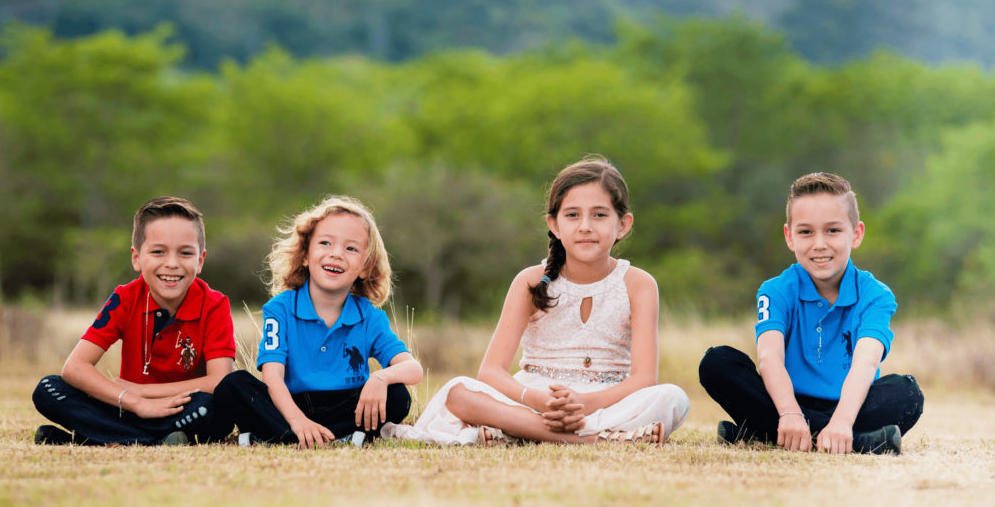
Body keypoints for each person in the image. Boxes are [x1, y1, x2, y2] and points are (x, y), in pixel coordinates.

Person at [385, 156, 690, 445]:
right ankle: (597, 439)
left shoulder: (638, 284)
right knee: (459, 392)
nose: (585, 226)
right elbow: (490, 372)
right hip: (534, 398)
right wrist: (537, 400)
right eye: (572, 215)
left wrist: (583, 404)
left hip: (606, 401)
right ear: (555, 224)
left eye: (599, 214)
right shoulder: (531, 281)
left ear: (622, 224)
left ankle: (518, 432)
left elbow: (643, 379)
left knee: (673, 398)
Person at [700, 172, 924, 455]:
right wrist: (791, 415)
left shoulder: (876, 295)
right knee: (717, 363)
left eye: (833, 230)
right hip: (784, 402)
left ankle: (765, 434)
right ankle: (859, 441)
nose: (819, 244)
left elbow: (866, 363)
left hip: (850, 405)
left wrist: (842, 421)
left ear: (856, 234)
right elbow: (769, 359)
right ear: (789, 237)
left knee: (908, 394)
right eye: (806, 232)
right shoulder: (775, 290)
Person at [211, 196, 422, 448]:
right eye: (325, 243)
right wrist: (298, 421)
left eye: (351, 248)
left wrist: (380, 379)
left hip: (345, 408)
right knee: (233, 386)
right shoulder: (280, 309)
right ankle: (297, 436)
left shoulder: (370, 317)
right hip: (289, 406)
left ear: (365, 267)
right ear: (305, 255)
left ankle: (298, 437)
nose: (336, 254)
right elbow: (273, 377)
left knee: (398, 396)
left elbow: (413, 370)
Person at [32, 196, 236, 445]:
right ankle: (153, 441)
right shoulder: (125, 298)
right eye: (158, 252)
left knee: (210, 408)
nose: (171, 263)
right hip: (127, 408)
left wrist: (144, 392)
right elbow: (75, 368)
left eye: (185, 253)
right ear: (137, 258)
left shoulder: (214, 304)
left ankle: (95, 437)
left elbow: (218, 381)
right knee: (48, 389)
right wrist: (135, 402)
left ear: (200, 260)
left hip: (182, 409)